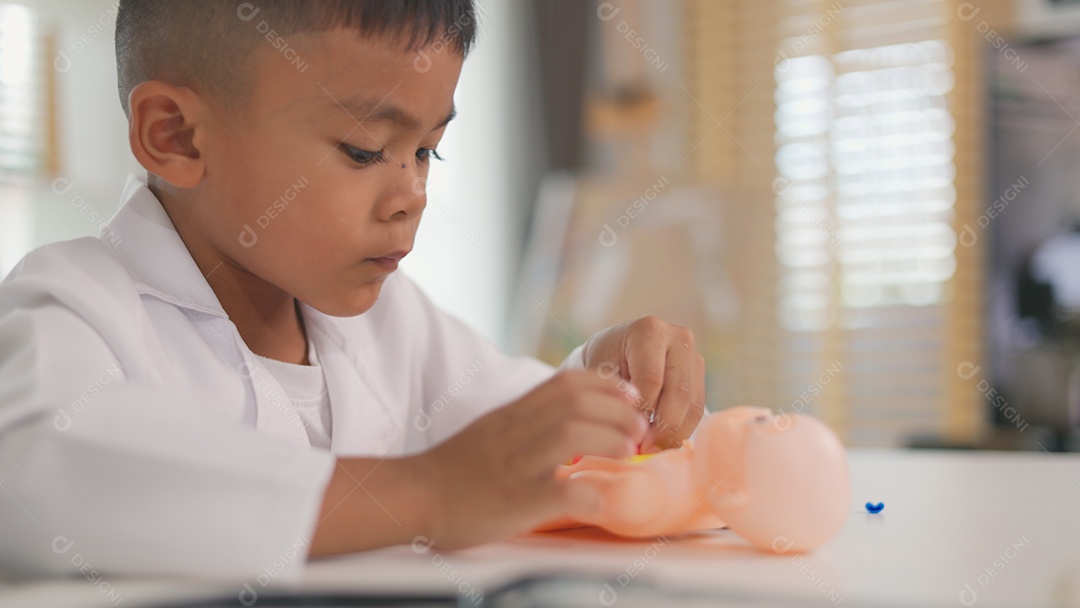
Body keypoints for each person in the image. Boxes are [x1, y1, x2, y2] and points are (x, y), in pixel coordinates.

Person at [0, 0, 706, 580]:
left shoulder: (395, 324)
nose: (412, 196)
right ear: (177, 136)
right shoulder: (74, 303)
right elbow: (32, 473)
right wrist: (428, 493)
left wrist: (609, 384)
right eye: (366, 149)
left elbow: (512, 445)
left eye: (428, 150)